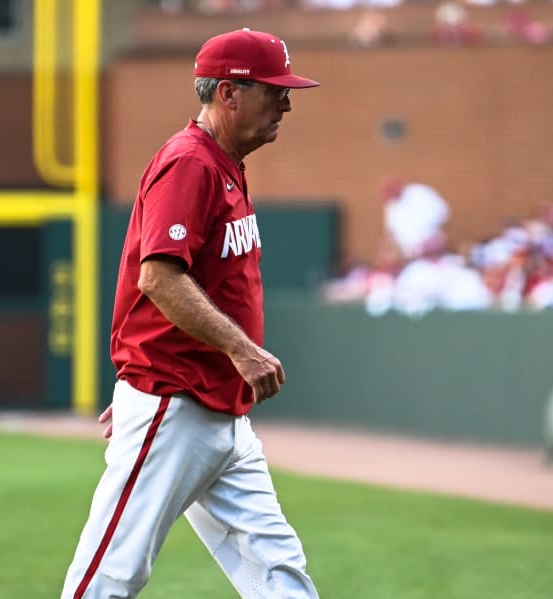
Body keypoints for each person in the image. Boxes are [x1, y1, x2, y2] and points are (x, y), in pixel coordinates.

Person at [60, 29, 321, 599]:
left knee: (279, 573)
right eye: (273, 90)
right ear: (228, 94)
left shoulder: (224, 162)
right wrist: (237, 351)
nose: (287, 102)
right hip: (176, 403)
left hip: (217, 411)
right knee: (110, 577)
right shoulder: (190, 163)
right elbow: (157, 277)